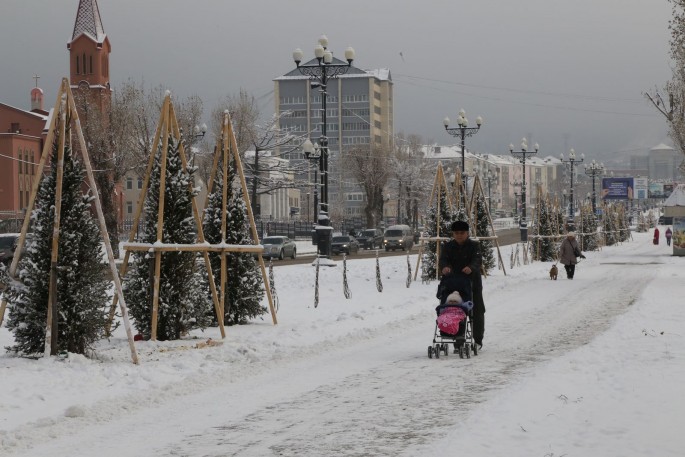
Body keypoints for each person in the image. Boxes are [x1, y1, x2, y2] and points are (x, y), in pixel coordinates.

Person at [438, 220, 485, 349]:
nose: (459, 235)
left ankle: (478, 340)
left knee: (477, 310)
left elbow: (477, 260)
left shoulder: (474, 246)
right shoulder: (448, 246)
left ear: (467, 233)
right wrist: (445, 267)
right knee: (454, 310)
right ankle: (457, 338)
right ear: (453, 234)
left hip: (472, 283)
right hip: (453, 284)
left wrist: (471, 267)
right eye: (456, 233)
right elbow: (443, 260)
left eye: (462, 233)